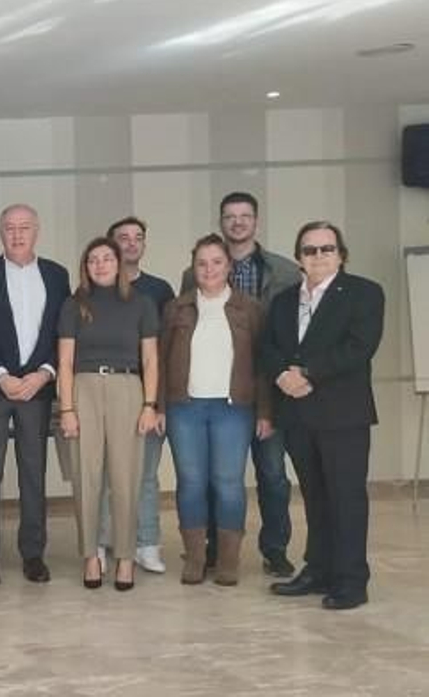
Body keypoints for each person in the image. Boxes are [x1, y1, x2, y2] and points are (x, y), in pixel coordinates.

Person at [180, 193, 302, 577]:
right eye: (230, 217)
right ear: (221, 222)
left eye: (244, 216)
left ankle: (275, 548)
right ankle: (214, 550)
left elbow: (287, 336)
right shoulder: (196, 274)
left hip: (265, 387)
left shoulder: (284, 271)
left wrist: (272, 400)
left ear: (256, 222)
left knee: (271, 474)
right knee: (217, 477)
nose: (237, 222)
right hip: (213, 396)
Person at [265, 222, 384, 610]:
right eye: (309, 250)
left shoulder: (364, 293)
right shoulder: (283, 301)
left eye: (326, 249)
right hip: (298, 413)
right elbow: (268, 346)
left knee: (346, 498)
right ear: (299, 257)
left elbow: (359, 346)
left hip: (343, 415)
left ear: (341, 254)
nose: (318, 256)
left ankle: (351, 579)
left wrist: (308, 374)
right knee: (315, 497)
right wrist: (282, 374)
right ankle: (318, 569)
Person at [0, 204, 70, 585]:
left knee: (33, 472)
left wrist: (45, 374)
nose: (17, 234)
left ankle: (33, 554)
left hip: (38, 388)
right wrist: (0, 374)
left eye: (24, 227)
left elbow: (62, 331)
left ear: (37, 231)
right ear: (0, 232)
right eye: (10, 228)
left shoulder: (57, 275)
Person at [160, 234, 270, 586]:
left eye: (216, 262)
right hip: (184, 408)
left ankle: (228, 560)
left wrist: (265, 412)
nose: (209, 269)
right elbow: (159, 360)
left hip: (233, 409)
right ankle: (194, 558)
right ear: (194, 268)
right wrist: (159, 406)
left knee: (228, 483)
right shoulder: (176, 308)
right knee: (191, 483)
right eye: (202, 263)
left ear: (229, 266)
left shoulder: (250, 308)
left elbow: (263, 365)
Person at [56, 238, 162, 592]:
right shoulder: (73, 305)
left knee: (126, 477)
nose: (100, 265)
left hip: (128, 390)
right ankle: (90, 555)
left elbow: (150, 359)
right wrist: (67, 409)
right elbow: (65, 362)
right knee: (87, 477)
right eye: (92, 260)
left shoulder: (141, 304)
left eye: (106, 258)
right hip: (83, 389)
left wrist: (150, 405)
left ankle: (126, 558)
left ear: (119, 263)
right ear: (85, 267)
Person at [97, 217, 176, 574]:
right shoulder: (92, 289)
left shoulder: (159, 290)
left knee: (144, 475)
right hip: (100, 394)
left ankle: (146, 543)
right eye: (123, 238)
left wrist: (158, 403)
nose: (130, 244)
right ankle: (98, 543)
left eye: (137, 238)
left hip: (146, 395)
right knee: (100, 474)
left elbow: (167, 350)